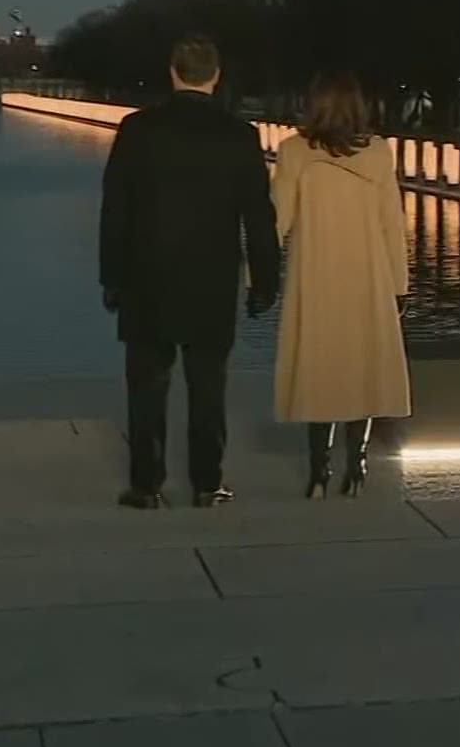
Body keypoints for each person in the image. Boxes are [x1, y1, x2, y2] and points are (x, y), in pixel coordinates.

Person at [100, 37, 280, 510]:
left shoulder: (137, 130)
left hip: (146, 279)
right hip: (211, 280)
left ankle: (146, 485)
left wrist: (111, 277)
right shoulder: (239, 136)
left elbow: (115, 210)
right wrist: (266, 282)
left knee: (146, 390)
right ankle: (207, 483)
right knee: (208, 388)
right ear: (215, 77)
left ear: (173, 73)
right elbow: (258, 218)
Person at [271, 71, 411, 498]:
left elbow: (277, 221)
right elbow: (392, 223)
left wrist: (254, 276)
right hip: (367, 278)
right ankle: (358, 465)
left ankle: (319, 471)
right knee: (361, 370)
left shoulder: (293, 153)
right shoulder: (378, 154)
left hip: (315, 278)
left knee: (320, 371)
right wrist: (399, 284)